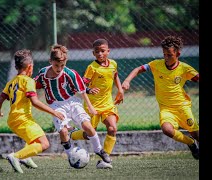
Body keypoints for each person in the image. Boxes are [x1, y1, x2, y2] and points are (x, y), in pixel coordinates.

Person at [121, 35, 199, 160]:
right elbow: (138, 69)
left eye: (169, 55)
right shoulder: (156, 65)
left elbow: (197, 78)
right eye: (164, 54)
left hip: (183, 106)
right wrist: (127, 80)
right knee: (167, 129)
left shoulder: (185, 68)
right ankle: (190, 143)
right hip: (166, 109)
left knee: (196, 133)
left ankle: (194, 139)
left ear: (177, 54)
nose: (166, 58)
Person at [34, 44, 112, 166]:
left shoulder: (70, 73)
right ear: (50, 61)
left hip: (72, 102)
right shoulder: (43, 74)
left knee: (88, 127)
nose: (59, 68)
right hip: (56, 105)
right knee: (63, 132)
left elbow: (81, 90)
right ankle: (71, 155)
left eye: (62, 65)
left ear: (66, 62)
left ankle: (99, 150)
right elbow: (34, 85)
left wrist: (90, 106)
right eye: (56, 65)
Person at [0, 49, 65, 173]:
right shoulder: (28, 81)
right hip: (23, 119)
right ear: (30, 67)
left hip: (13, 120)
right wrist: (54, 112)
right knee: (44, 144)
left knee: (32, 140)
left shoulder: (11, 82)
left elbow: (0, 100)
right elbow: (35, 102)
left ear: (16, 67)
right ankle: (16, 157)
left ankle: (26, 158)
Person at [69, 38, 124, 169]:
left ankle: (105, 160)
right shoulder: (92, 68)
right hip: (91, 106)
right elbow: (81, 85)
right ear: (93, 53)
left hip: (108, 104)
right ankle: (71, 134)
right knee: (88, 135)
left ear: (108, 51)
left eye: (102, 51)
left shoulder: (113, 64)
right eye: (97, 52)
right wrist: (89, 90)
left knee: (112, 128)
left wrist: (120, 90)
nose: (100, 54)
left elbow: (115, 75)